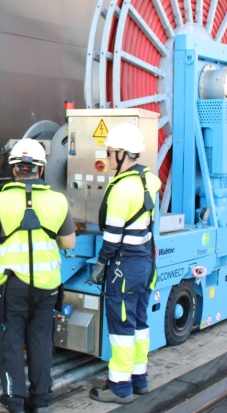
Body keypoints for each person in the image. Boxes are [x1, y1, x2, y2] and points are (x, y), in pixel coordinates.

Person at [0, 138, 77, 413]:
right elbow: (69, 243)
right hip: (48, 288)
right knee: (41, 341)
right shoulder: (58, 200)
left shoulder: (1, 200)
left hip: (11, 289)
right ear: (41, 170)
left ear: (15, 169)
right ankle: (41, 397)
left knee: (9, 343)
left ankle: (13, 403)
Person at [89, 123, 162, 404]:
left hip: (124, 266)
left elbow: (112, 236)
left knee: (120, 326)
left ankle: (120, 387)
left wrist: (100, 265)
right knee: (140, 322)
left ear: (121, 153)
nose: (107, 158)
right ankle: (139, 379)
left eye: (109, 152)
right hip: (145, 262)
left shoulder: (120, 190)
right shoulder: (149, 181)